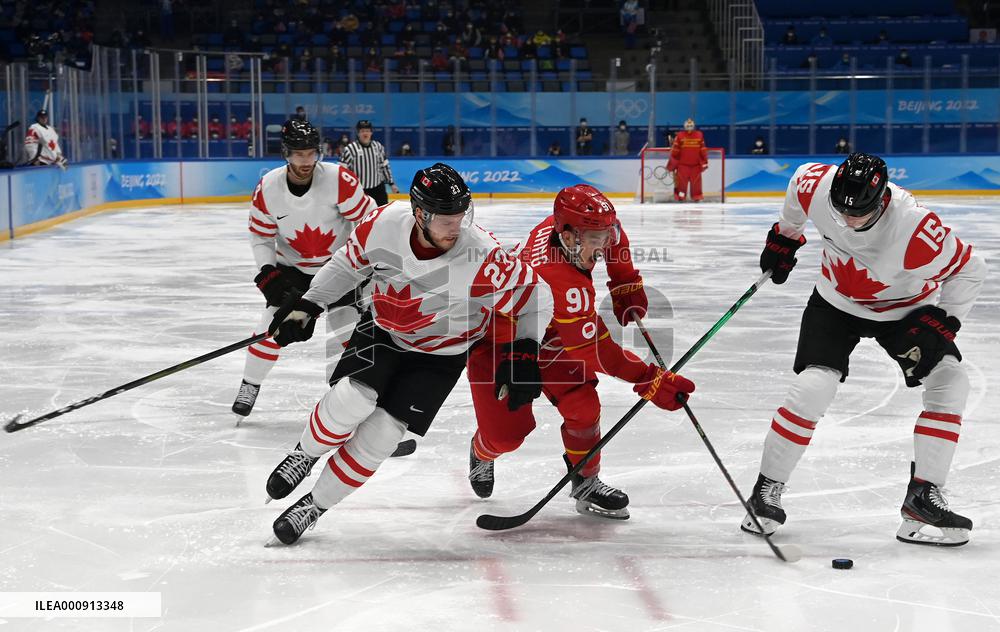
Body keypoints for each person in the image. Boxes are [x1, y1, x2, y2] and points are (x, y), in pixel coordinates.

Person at [262, 163, 555, 545]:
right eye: (446, 219)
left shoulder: (482, 255)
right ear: (420, 214)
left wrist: (527, 350)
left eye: (461, 216)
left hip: (443, 354)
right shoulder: (385, 224)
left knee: (383, 435)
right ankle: (305, 453)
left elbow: (537, 296)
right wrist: (309, 304)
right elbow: (347, 265)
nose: (456, 227)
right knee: (352, 398)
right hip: (383, 330)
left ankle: (314, 506)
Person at [745, 153, 986, 546]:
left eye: (859, 214)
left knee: (951, 382)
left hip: (905, 312)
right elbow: (797, 189)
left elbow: (970, 269)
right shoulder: (815, 185)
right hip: (834, 303)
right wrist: (785, 235)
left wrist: (946, 322)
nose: (848, 221)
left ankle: (923, 496)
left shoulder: (914, 230)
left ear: (882, 200)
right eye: (840, 211)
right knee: (813, 387)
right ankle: (765, 491)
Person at [465, 185, 696, 518]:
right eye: (595, 238)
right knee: (506, 438)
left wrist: (624, 281)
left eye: (605, 235)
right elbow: (595, 351)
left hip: (550, 331)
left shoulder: (578, 228)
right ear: (568, 235)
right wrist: (649, 378)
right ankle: (482, 451)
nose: (603, 245)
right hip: (501, 339)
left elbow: (616, 238)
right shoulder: (559, 278)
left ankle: (586, 481)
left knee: (583, 405)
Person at [230, 119, 377, 419]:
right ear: (286, 153)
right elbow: (261, 236)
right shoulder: (268, 187)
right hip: (292, 271)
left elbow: (369, 220)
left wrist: (365, 263)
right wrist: (268, 273)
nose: (306, 160)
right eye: (299, 154)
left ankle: (353, 404)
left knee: (349, 335)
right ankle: (250, 383)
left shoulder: (339, 179)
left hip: (338, 268)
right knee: (269, 328)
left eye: (311, 153)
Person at [339, 119, 398, 206]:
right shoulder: (350, 149)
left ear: (371, 133)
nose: (365, 133)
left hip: (378, 188)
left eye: (367, 131)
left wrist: (391, 184)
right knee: (361, 213)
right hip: (359, 190)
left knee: (383, 212)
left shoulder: (378, 146)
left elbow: (385, 166)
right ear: (358, 133)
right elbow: (342, 170)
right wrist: (344, 188)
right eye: (362, 131)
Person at [667, 118, 708, 202]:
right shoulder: (680, 135)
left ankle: (696, 196)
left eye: (691, 125)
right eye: (688, 125)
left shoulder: (699, 135)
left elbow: (703, 149)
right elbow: (675, 151)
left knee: (696, 183)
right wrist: (672, 163)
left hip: (696, 165)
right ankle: (681, 196)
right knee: (682, 183)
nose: (689, 127)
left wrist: (704, 162)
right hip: (683, 165)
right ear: (685, 126)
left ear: (693, 126)